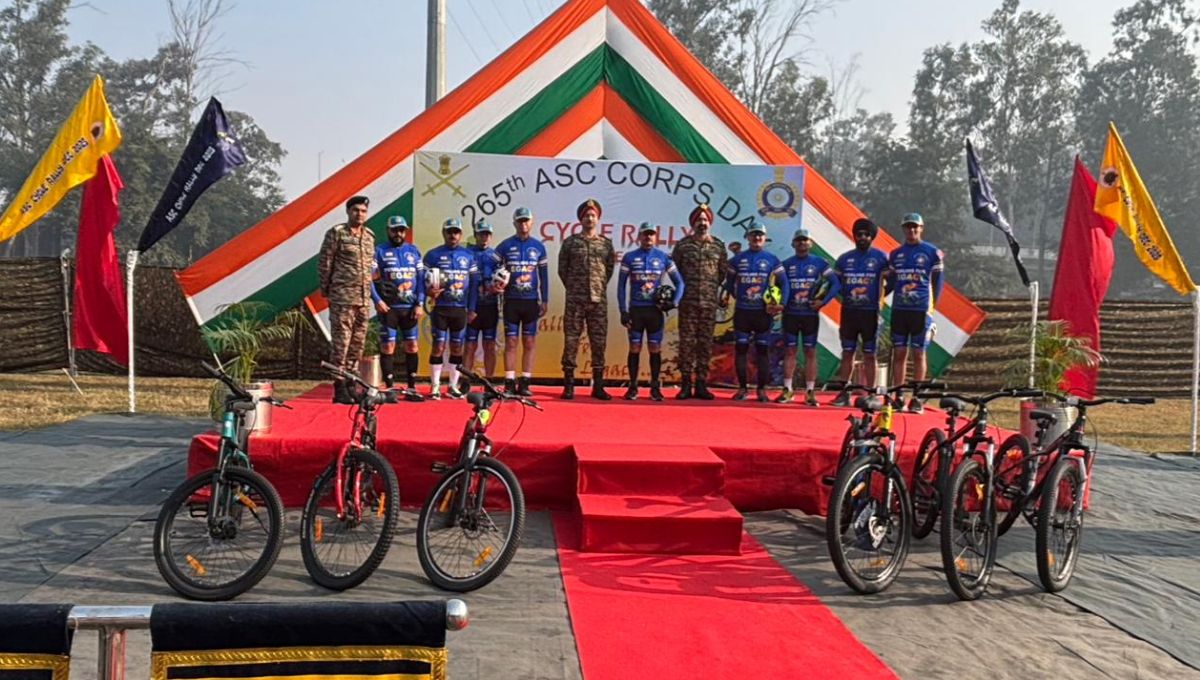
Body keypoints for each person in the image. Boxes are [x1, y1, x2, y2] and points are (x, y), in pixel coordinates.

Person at [318, 195, 375, 405]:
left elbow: (369, 268)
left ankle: (351, 383)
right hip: (342, 297)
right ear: (348, 212)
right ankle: (339, 386)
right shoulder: (337, 234)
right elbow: (325, 262)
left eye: (363, 211)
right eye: (356, 210)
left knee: (357, 344)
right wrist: (327, 289)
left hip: (362, 299)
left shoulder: (369, 236)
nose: (359, 214)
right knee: (341, 343)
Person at [618, 222, 685, 401]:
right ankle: (633, 387)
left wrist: (674, 302)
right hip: (636, 311)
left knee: (655, 348)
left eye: (651, 234)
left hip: (655, 312)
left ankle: (655, 388)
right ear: (639, 236)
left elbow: (680, 283)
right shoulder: (629, 257)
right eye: (645, 234)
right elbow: (621, 286)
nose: (648, 237)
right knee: (635, 347)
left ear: (656, 237)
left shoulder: (663, 257)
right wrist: (623, 311)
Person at [724, 221, 789, 402]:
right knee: (741, 350)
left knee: (762, 351)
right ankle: (743, 389)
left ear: (764, 238)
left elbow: (784, 283)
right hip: (743, 313)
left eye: (760, 235)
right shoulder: (737, 260)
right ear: (748, 238)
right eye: (753, 235)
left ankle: (761, 390)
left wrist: (780, 304)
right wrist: (739, 297)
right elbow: (729, 284)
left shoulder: (772, 259)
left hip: (763, 313)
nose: (757, 238)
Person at [558, 199, 615, 400]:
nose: (589, 218)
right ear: (581, 219)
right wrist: (575, 288)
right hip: (575, 300)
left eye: (593, 215)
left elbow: (609, 270)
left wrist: (596, 287)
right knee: (571, 341)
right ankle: (569, 385)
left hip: (598, 300)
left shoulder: (606, 244)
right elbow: (562, 270)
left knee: (598, 343)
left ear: (598, 219)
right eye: (586, 215)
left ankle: (598, 386)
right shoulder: (571, 243)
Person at [887, 212, 944, 413]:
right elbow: (891, 283)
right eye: (908, 227)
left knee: (918, 353)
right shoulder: (896, 254)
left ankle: (918, 397)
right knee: (900, 352)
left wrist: (933, 307)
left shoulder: (932, 252)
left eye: (915, 227)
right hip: (900, 310)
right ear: (903, 229)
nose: (911, 231)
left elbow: (938, 282)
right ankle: (899, 394)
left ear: (921, 228)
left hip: (921, 310)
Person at [830, 217, 890, 407]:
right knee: (848, 352)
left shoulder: (881, 258)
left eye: (866, 235)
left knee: (869, 354)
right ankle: (844, 392)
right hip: (849, 312)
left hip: (871, 312)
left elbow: (894, 280)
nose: (862, 237)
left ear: (872, 237)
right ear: (854, 236)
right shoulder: (844, 259)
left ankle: (871, 393)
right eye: (859, 234)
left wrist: (881, 296)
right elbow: (835, 284)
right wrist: (844, 297)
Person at [778, 227, 839, 406]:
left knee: (810, 352)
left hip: (809, 315)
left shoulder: (820, 263)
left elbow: (835, 284)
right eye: (799, 240)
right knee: (790, 351)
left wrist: (823, 302)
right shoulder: (786, 264)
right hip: (790, 314)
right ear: (793, 244)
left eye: (805, 240)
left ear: (811, 243)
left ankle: (810, 391)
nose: (802, 243)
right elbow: (777, 286)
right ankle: (787, 389)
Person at [671, 204, 727, 400]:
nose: (702, 223)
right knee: (686, 343)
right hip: (688, 302)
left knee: (705, 344)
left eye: (705, 220)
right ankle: (685, 384)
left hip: (709, 303)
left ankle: (702, 384)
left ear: (709, 222)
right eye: (699, 220)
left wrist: (709, 288)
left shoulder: (718, 246)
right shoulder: (683, 246)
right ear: (693, 223)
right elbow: (675, 272)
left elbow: (722, 273)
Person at [422, 217, 478, 400]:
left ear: (460, 234)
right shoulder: (433, 255)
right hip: (441, 308)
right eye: (449, 232)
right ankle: (435, 386)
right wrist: (429, 292)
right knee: (438, 346)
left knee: (457, 347)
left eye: (456, 232)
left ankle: (453, 386)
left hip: (460, 309)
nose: (453, 235)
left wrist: (472, 308)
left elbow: (475, 285)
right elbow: (422, 282)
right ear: (444, 233)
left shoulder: (469, 256)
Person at [495, 206, 549, 396]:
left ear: (531, 222)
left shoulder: (538, 247)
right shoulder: (505, 246)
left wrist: (545, 299)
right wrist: (494, 283)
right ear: (514, 223)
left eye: (526, 220)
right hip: (511, 301)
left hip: (531, 301)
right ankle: (509, 381)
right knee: (510, 342)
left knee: (529, 341)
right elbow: (493, 268)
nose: (523, 224)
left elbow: (543, 275)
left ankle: (525, 381)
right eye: (520, 221)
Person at [371, 215, 425, 398]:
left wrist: (420, 303)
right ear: (388, 231)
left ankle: (411, 387)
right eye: (395, 230)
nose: (398, 233)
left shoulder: (414, 251)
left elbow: (421, 281)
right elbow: (368, 280)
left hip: (410, 308)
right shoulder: (379, 251)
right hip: (389, 308)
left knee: (412, 346)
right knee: (388, 347)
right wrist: (377, 300)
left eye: (402, 230)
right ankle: (390, 388)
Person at [462, 218, 500, 391]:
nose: (484, 237)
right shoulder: (467, 254)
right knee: (469, 345)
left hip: (490, 306)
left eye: (487, 234)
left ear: (490, 236)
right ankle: (465, 380)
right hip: (472, 306)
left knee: (489, 345)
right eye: (481, 234)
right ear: (475, 235)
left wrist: (499, 288)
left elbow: (503, 280)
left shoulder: (496, 256)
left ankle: (489, 381)